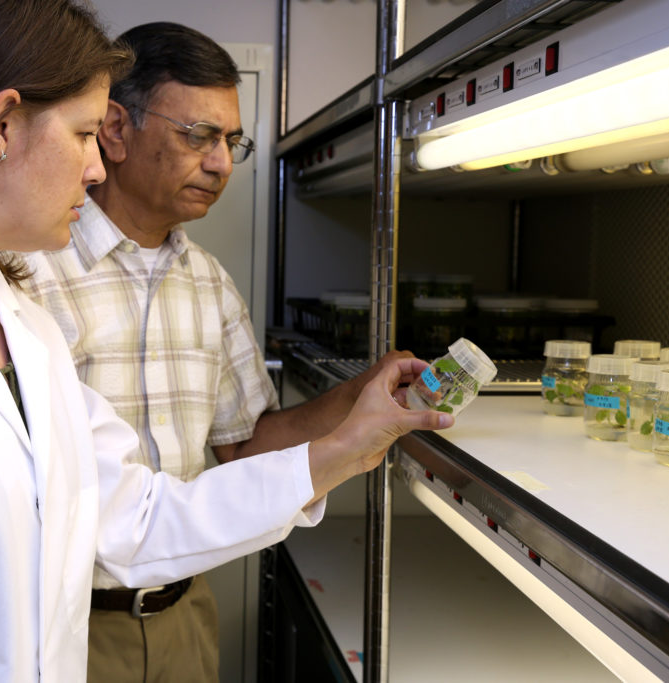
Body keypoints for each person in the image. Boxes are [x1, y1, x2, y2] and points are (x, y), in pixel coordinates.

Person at [0, 1, 453, 682]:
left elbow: (135, 519)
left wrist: (344, 448)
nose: (98, 166)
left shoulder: (23, 330)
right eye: (80, 135)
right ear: (4, 125)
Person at [21, 21, 415, 682]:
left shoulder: (207, 280)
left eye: (232, 141)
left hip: (184, 616)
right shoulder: (30, 271)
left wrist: (362, 393)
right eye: (198, 136)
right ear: (115, 130)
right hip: (61, 621)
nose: (222, 163)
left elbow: (246, 445)